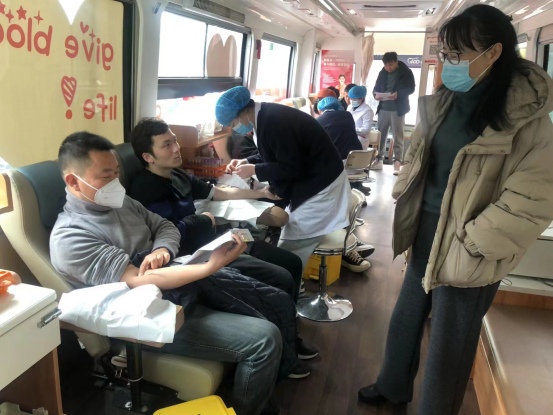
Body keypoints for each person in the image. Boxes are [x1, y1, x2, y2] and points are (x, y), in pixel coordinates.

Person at [358, 5, 553, 415]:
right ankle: (392, 386)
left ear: (493, 53)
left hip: (471, 236)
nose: (448, 63)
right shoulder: (446, 100)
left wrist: (476, 239)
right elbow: (419, 151)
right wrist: (404, 189)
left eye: (457, 55)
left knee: (451, 338)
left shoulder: (528, 118)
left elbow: (534, 196)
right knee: (407, 313)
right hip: (426, 225)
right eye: (445, 54)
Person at [49, 132, 305, 415]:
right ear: (73, 181)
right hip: (143, 318)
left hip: (176, 285)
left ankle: (257, 383)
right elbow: (138, 279)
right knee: (264, 339)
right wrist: (208, 267)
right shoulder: (71, 237)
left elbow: (165, 227)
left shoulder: (120, 203)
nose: (115, 183)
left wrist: (162, 250)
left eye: (117, 173)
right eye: (106, 176)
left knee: (274, 297)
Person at [215, 86, 361, 273]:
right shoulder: (264, 116)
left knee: (289, 251)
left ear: (243, 111)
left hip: (322, 187)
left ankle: (291, 287)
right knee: (290, 245)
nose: (235, 128)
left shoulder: (273, 122)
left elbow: (292, 166)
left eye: (234, 123)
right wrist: (247, 161)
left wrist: (255, 170)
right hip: (317, 179)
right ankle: (292, 283)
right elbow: (277, 153)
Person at [372, 52, 415, 174]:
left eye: (391, 65)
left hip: (398, 109)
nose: (388, 67)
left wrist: (398, 94)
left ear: (396, 62)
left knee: (398, 136)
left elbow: (411, 88)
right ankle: (379, 159)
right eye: (386, 65)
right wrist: (375, 95)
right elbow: (376, 88)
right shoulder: (382, 72)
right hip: (383, 108)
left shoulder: (406, 72)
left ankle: (397, 162)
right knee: (380, 135)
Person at [347, 86, 374, 150]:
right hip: (348, 139)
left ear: (362, 98)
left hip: (360, 141)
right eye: (351, 98)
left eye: (355, 99)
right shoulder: (349, 107)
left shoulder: (367, 111)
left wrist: (351, 129)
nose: (352, 101)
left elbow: (366, 130)